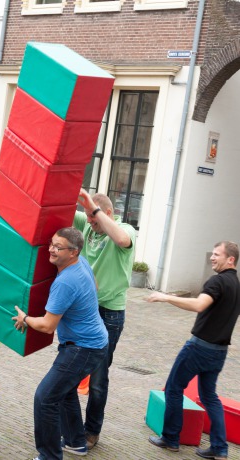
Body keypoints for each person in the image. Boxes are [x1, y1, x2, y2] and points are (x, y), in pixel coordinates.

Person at [12, 227, 108, 460]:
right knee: (63, 391)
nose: (52, 250)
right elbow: (94, 287)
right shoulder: (81, 263)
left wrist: (25, 318)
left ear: (73, 252)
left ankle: (49, 455)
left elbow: (47, 325)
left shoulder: (65, 282)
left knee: (45, 398)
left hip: (83, 348)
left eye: (58, 247)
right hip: (94, 343)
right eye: (52, 244)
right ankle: (76, 442)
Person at [147, 241, 240, 460]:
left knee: (173, 388)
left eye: (217, 254)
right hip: (219, 351)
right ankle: (219, 448)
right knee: (209, 396)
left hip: (199, 348)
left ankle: (170, 438)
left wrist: (165, 297)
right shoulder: (236, 284)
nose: (212, 257)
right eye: (212, 254)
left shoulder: (217, 281)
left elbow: (199, 305)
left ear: (231, 259)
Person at [73, 189, 136, 449]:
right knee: (70, 368)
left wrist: (94, 209)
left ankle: (92, 432)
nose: (89, 221)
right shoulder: (88, 223)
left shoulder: (126, 229)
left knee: (98, 378)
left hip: (110, 314)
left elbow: (121, 239)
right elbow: (60, 208)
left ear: (107, 213)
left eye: (93, 217)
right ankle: (71, 427)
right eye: (87, 216)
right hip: (86, 309)